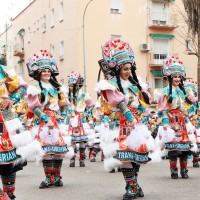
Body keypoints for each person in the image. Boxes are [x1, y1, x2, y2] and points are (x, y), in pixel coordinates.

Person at [97, 37, 154, 199]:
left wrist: (144, 116)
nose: (128, 72)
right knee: (124, 155)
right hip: (121, 123)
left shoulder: (137, 84)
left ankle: (134, 184)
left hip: (136, 123)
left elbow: (143, 104)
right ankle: (132, 186)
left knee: (137, 155)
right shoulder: (110, 84)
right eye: (124, 69)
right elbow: (119, 104)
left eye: (129, 68)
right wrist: (130, 118)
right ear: (117, 69)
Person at [27, 49, 72, 188]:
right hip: (43, 121)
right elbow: (34, 108)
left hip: (56, 122)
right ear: (38, 73)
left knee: (58, 150)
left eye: (48, 71)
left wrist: (62, 116)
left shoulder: (58, 88)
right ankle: (49, 177)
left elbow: (64, 106)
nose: (47, 73)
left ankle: (57, 177)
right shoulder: (35, 88)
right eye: (43, 71)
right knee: (46, 150)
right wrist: (47, 119)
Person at [154, 56, 198, 179]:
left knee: (184, 148)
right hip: (171, 119)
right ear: (170, 77)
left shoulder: (185, 91)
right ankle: (174, 170)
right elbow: (163, 110)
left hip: (182, 121)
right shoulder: (164, 92)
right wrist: (167, 124)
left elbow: (191, 103)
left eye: (179, 76)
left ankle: (184, 170)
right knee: (173, 149)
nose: (177, 78)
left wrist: (188, 121)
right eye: (175, 76)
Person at [0, 64, 35, 199]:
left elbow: (21, 88)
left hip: (5, 120)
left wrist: (11, 99)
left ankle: (9, 194)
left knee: (8, 162)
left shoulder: (4, 70)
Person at [66, 71, 95, 167]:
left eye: (72, 85)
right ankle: (72, 159)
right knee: (71, 141)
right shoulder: (67, 95)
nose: (70, 87)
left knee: (82, 141)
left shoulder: (84, 95)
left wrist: (86, 114)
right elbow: (63, 107)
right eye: (69, 85)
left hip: (81, 121)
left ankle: (82, 159)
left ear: (78, 85)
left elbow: (91, 105)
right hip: (71, 120)